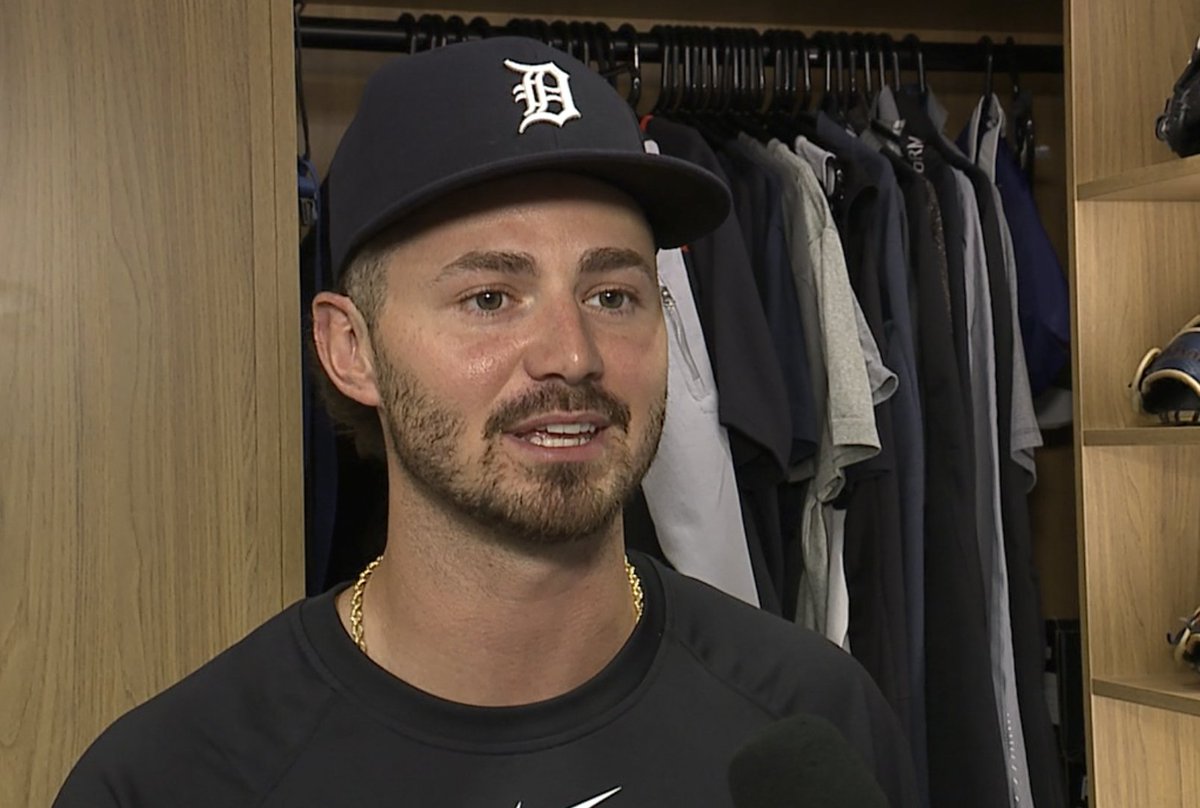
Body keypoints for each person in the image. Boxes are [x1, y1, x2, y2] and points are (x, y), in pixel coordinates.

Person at [55, 36, 918, 807]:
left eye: (612, 294)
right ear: (349, 349)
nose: (571, 354)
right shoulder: (176, 778)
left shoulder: (814, 721)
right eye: (490, 297)